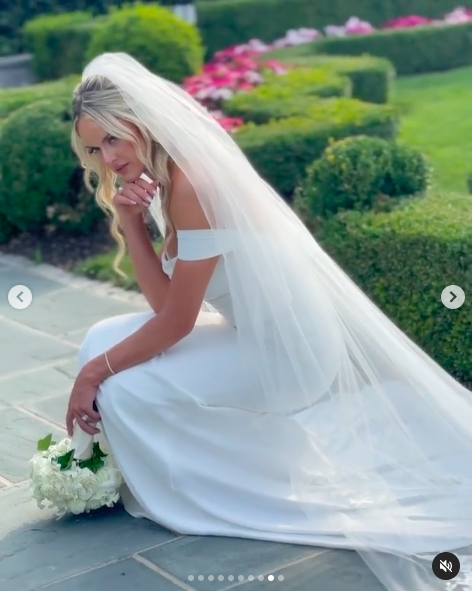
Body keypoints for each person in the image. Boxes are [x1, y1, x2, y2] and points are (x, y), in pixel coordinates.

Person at [66, 52, 472, 591]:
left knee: (123, 388)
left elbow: (177, 322)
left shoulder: (190, 185)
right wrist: (130, 222)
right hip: (248, 335)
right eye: (95, 148)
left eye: (114, 139)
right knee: (100, 337)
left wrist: (93, 374)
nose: (107, 158)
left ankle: (216, 487)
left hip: (291, 356)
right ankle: (140, 467)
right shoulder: (162, 179)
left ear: (141, 123)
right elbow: (166, 308)